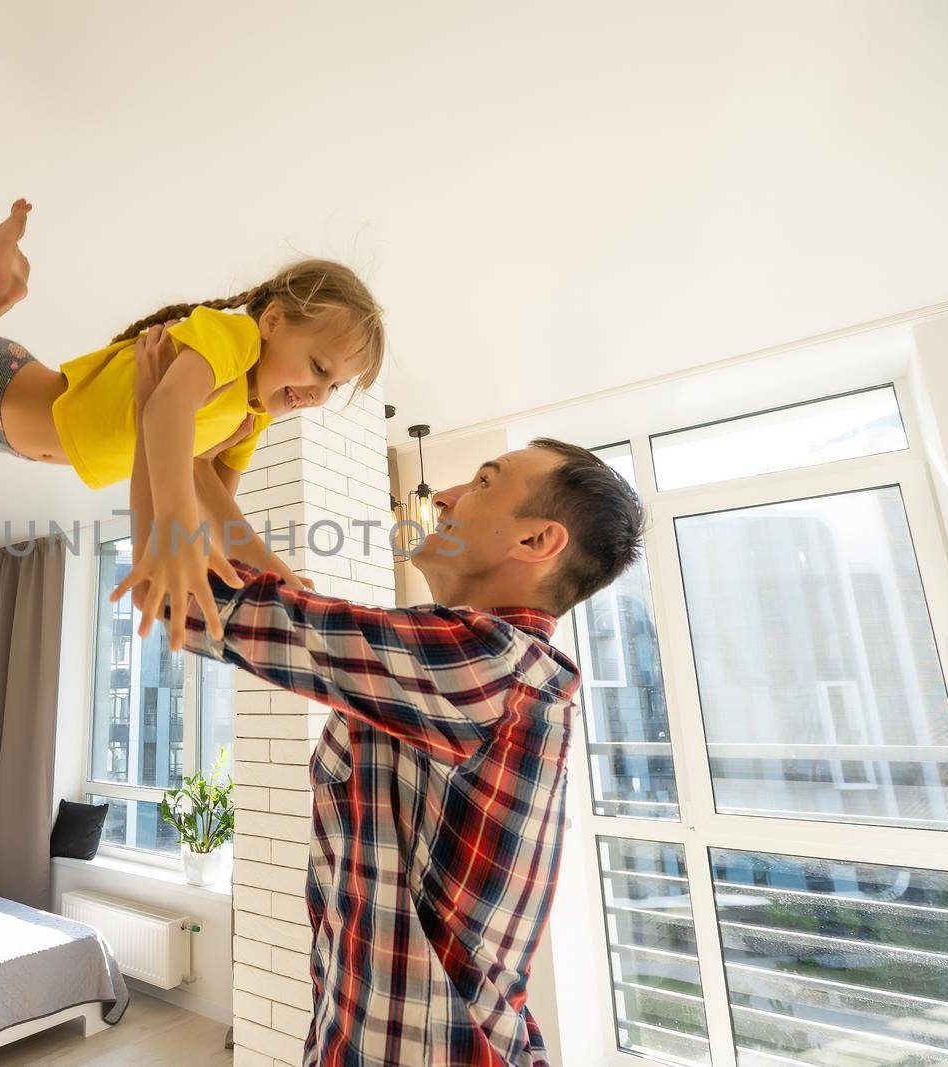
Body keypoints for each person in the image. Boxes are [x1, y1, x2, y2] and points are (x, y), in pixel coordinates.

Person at [122, 324, 646, 1065]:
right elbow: (268, 591)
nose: (453, 493)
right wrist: (206, 447)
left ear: (536, 543)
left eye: (488, 482)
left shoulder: (486, 668)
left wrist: (154, 414)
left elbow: (187, 600)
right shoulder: (459, 662)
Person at [0, 201, 386, 626]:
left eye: (336, 388)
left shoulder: (248, 415)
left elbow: (218, 503)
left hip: (2, 435)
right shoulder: (231, 337)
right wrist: (165, 538)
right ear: (274, 321)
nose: (318, 393)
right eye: (320, 368)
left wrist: (285, 582)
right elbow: (164, 409)